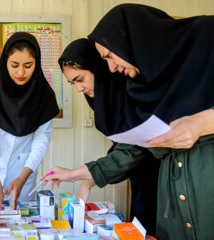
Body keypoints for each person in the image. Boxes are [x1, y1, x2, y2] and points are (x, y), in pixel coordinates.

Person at [43, 4, 214, 239]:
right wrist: (76, 174)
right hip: (173, 209)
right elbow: (135, 148)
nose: (111, 68)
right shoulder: (143, 88)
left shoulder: (207, 38)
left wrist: (204, 122)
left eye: (110, 56)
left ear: (132, 40)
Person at [58, 38, 159, 235]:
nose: (78, 89)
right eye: (72, 84)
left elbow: (133, 149)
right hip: (141, 182)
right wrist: (88, 181)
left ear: (99, 68)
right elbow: (122, 146)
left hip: (163, 183)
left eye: (80, 79)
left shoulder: (133, 94)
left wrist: (79, 175)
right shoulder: (107, 100)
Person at [0, 32, 59, 214]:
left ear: (37, 65)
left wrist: (23, 176)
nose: (21, 73)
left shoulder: (45, 96)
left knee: (22, 224)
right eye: (14, 65)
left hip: (23, 175)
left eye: (28, 66)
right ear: (5, 62)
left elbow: (42, 139)